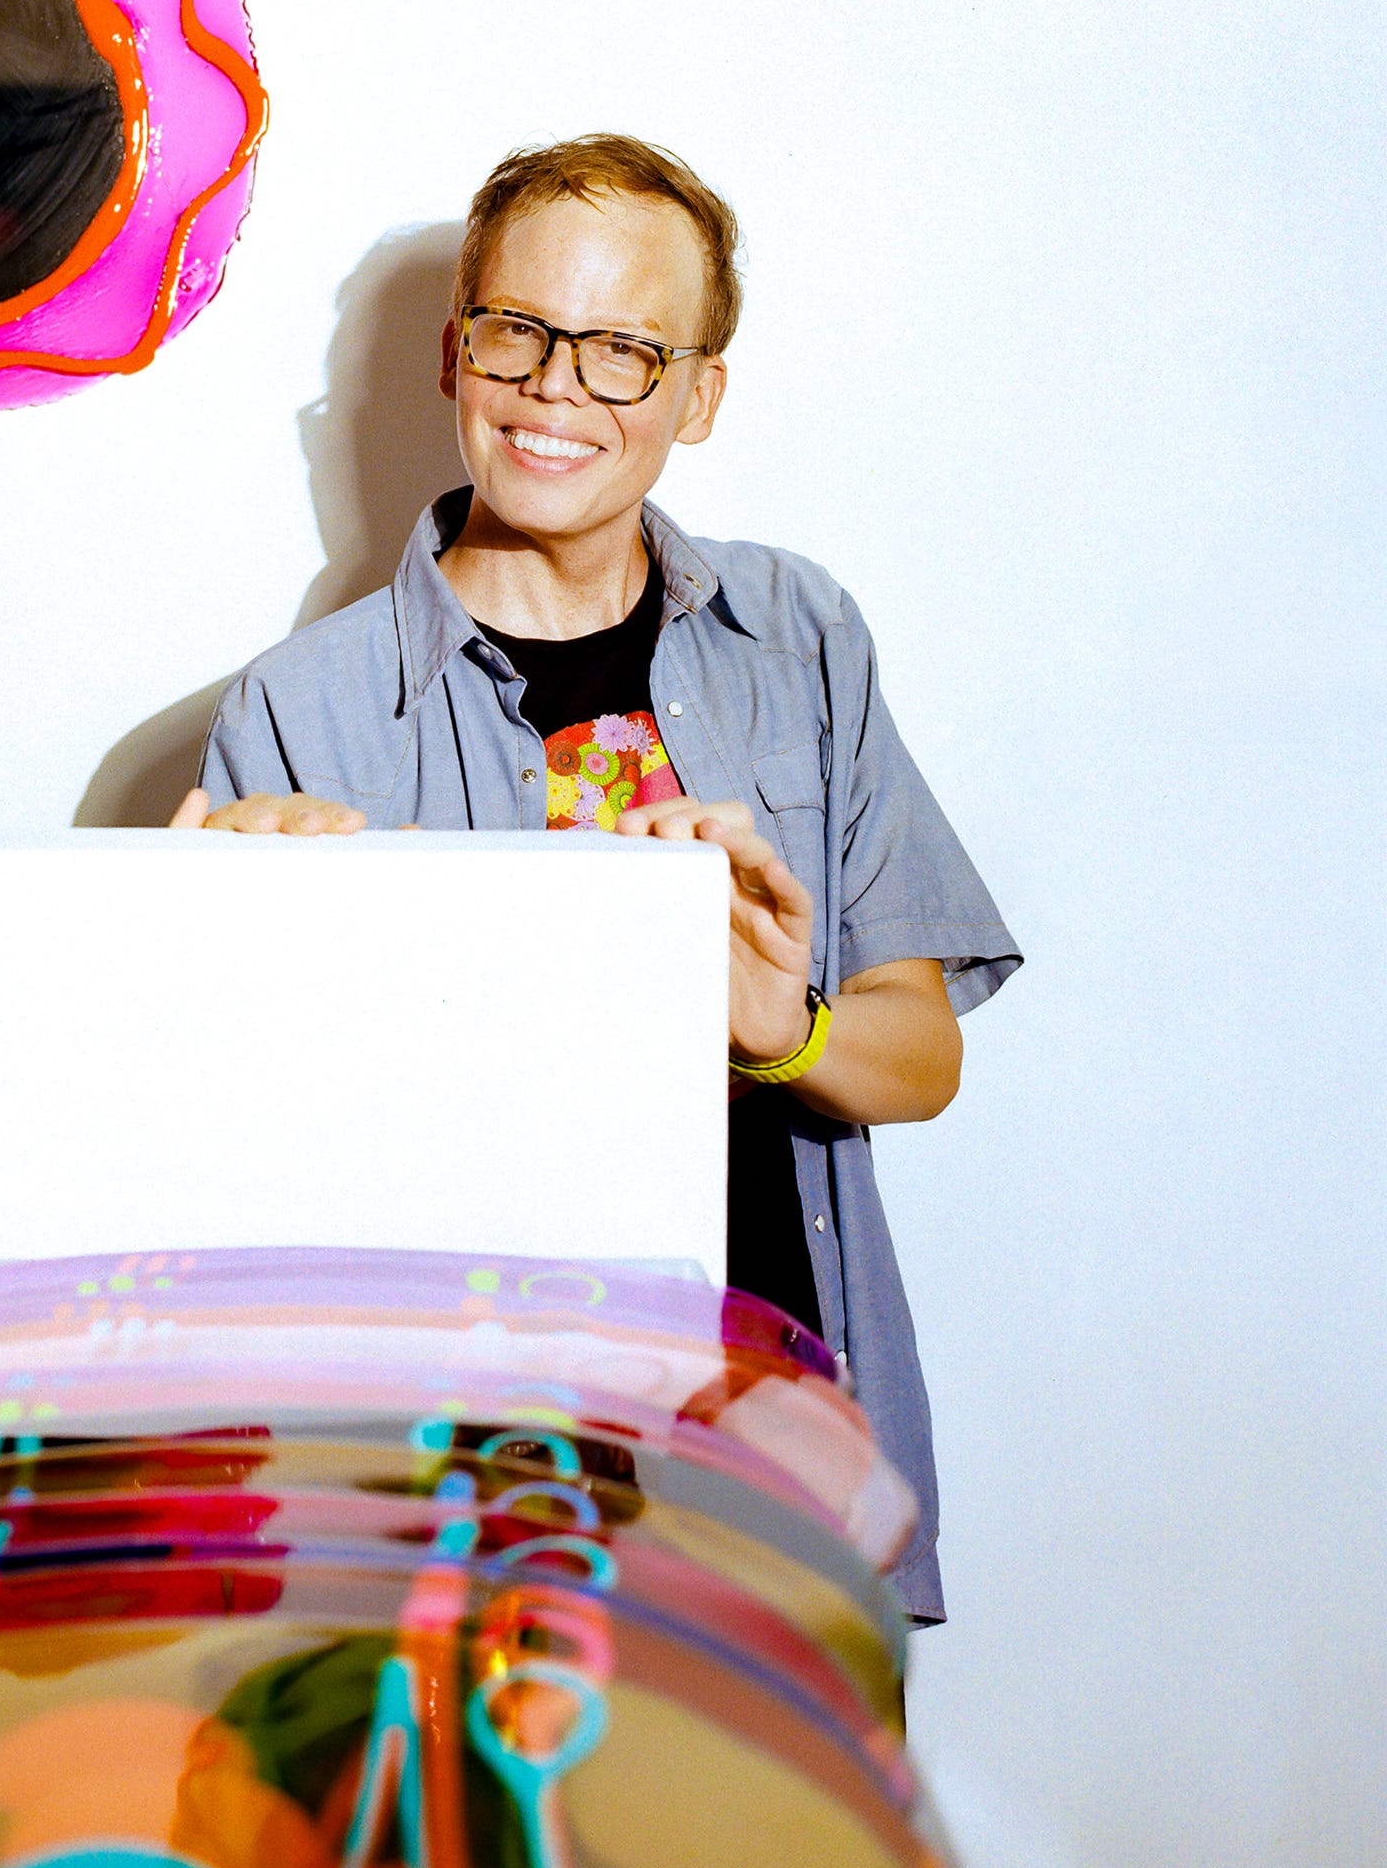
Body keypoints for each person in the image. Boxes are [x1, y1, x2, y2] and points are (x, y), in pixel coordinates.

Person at [170, 134, 1021, 1622]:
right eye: (520, 330)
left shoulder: (799, 635)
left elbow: (923, 1058)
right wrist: (190, 967)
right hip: (452, 1511)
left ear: (699, 395)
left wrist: (785, 1028)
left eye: (625, 350)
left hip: (786, 1485)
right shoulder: (298, 711)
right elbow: (238, 1173)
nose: (558, 388)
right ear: (456, 355)